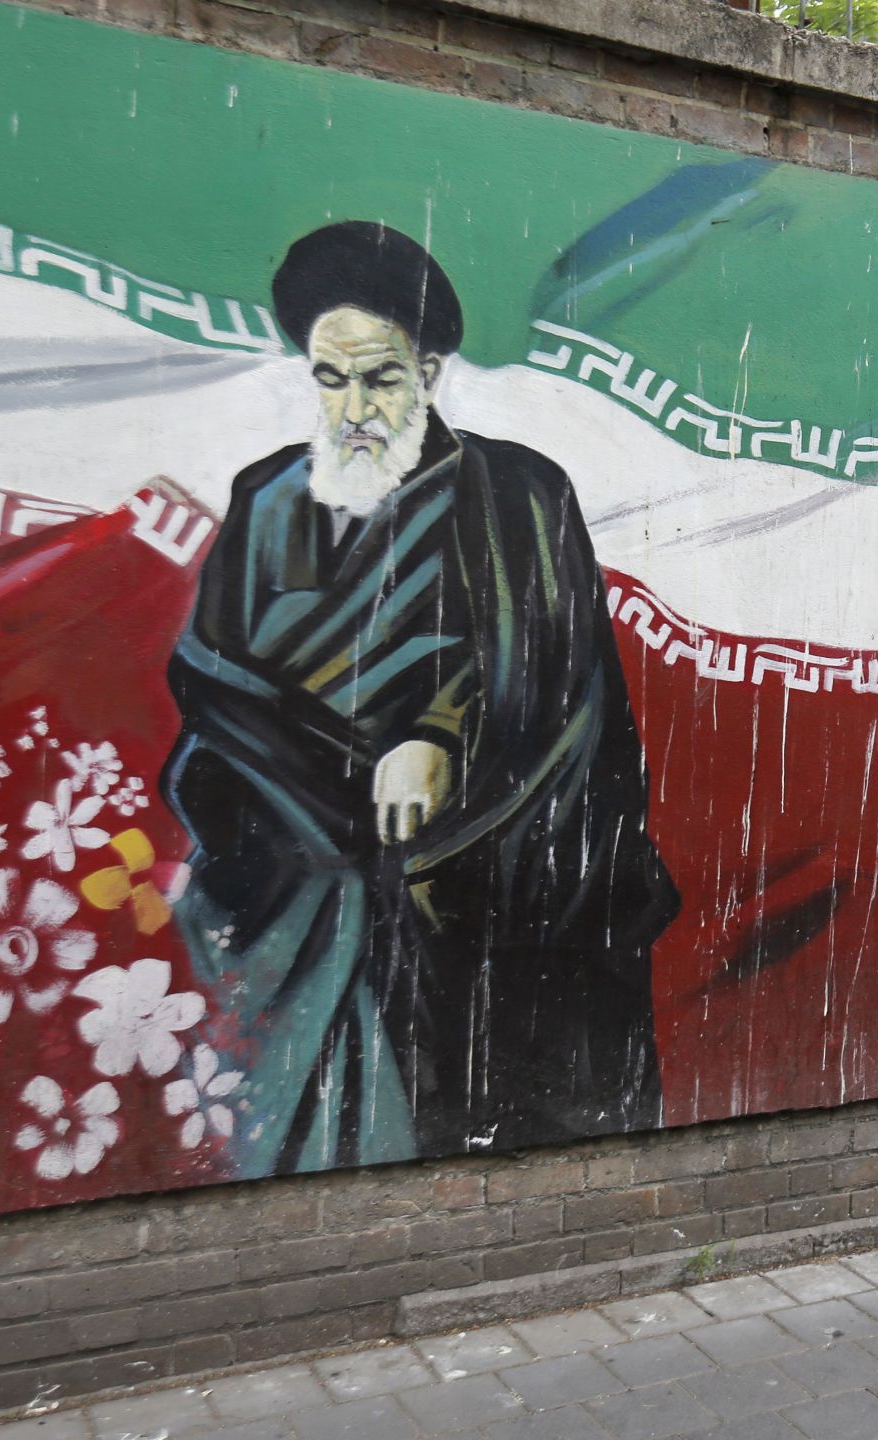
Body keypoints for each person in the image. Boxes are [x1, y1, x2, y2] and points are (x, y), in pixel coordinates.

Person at [163, 221, 678, 1178]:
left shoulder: (517, 495)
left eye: (381, 378)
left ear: (431, 372)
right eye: (331, 379)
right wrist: (335, 784)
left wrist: (438, 734)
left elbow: (561, 694)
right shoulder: (268, 500)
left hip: (485, 876)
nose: (353, 407)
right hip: (305, 878)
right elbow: (214, 684)